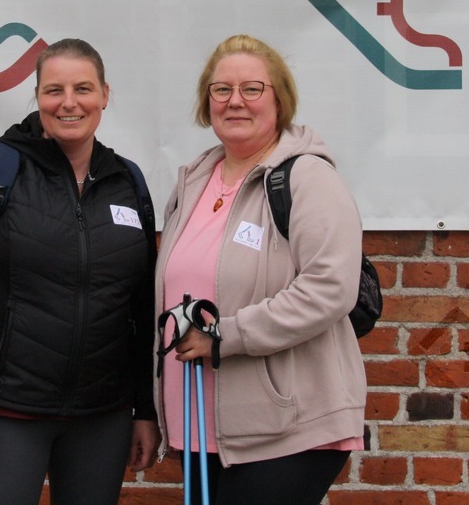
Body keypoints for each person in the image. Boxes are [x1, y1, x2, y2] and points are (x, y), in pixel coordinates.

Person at [0, 38, 160, 505]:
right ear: (37, 96)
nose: (69, 102)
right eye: (55, 90)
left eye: (83, 89)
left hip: (103, 416)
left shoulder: (128, 181)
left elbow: (142, 306)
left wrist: (145, 409)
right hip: (6, 414)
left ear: (105, 95)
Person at [155, 34, 367, 504]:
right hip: (201, 423)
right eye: (221, 89)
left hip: (286, 427)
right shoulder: (194, 181)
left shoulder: (308, 178)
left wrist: (224, 336)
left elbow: (330, 288)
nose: (235, 101)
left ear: (279, 100)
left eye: (252, 89)